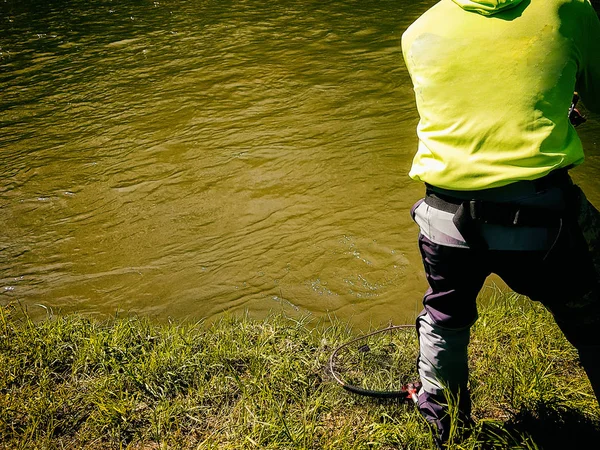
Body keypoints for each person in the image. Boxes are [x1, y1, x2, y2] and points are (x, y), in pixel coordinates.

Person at [401, 0, 600, 446]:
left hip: (444, 221)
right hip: (544, 223)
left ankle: (446, 428)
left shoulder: (418, 31)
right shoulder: (569, 11)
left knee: (444, 319)